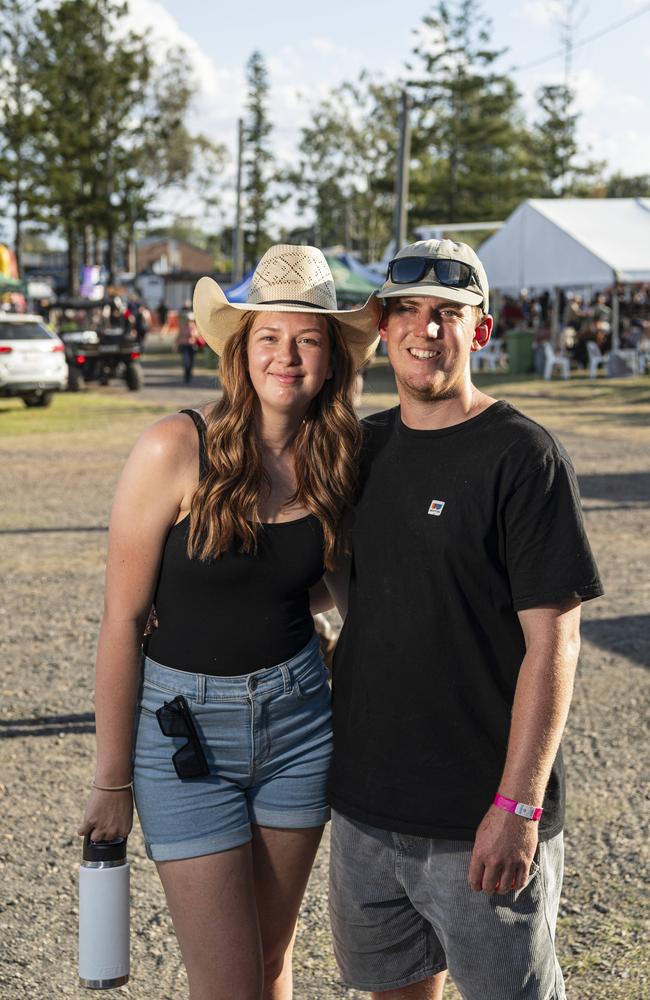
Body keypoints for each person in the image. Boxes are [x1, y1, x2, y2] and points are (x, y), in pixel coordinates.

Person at [78, 244, 381, 1000]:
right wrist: (110, 781)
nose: (288, 355)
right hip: (185, 737)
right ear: (241, 351)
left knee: (274, 958)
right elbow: (121, 621)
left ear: (331, 359)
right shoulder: (173, 448)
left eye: (308, 339)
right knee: (227, 983)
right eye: (270, 337)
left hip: (302, 726)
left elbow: (343, 597)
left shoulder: (338, 458)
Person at [327, 239, 603, 1000]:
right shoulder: (361, 448)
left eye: (448, 313)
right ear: (382, 328)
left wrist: (518, 807)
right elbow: (342, 589)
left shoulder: (523, 457)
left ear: (480, 331)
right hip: (365, 813)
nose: (426, 330)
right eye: (406, 311)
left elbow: (556, 643)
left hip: (478, 821)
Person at [176, 300, 198, 384]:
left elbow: (196, 335)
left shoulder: (193, 326)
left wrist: (192, 334)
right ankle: (186, 376)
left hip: (192, 345)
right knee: (186, 362)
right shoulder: (183, 326)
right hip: (184, 345)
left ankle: (189, 375)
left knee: (191, 362)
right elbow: (179, 335)